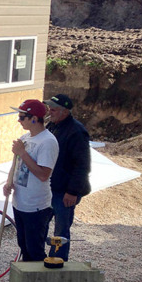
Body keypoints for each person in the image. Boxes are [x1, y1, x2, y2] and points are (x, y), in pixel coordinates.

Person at [3, 100, 59, 262]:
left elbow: (43, 175)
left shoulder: (48, 142)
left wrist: (22, 152)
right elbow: (16, 164)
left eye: (22, 117)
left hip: (36, 206)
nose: (18, 120)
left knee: (35, 250)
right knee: (24, 245)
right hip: (20, 202)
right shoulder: (25, 138)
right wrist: (9, 182)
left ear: (34, 118)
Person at [44, 93, 91, 261]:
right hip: (50, 188)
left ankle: (57, 261)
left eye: (54, 109)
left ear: (65, 112)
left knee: (61, 231)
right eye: (50, 108)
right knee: (41, 225)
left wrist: (72, 191)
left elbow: (82, 165)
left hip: (64, 192)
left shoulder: (76, 132)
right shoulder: (52, 126)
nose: (50, 111)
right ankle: (39, 259)